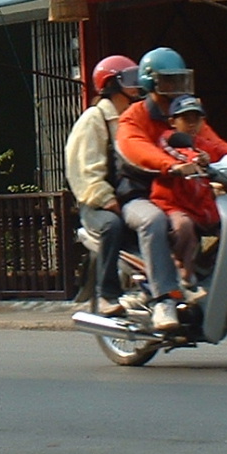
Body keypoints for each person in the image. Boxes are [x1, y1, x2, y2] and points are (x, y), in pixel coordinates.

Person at [116, 47, 227, 331]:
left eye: (179, 80)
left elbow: (214, 145)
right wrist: (170, 165)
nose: (175, 88)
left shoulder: (184, 114)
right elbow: (137, 148)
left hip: (181, 191)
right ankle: (163, 300)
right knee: (154, 221)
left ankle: (206, 280)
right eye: (168, 82)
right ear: (150, 83)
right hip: (140, 194)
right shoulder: (132, 118)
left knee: (224, 219)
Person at [65, 55, 141, 316]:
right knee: (112, 225)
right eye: (129, 80)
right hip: (98, 204)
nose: (136, 86)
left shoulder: (134, 116)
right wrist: (106, 198)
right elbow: (83, 170)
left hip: (131, 196)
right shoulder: (94, 118)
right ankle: (107, 294)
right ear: (112, 84)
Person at [151, 94, 227, 293]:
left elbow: (224, 152)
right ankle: (180, 268)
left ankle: (206, 268)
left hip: (200, 204)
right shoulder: (167, 139)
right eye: (186, 118)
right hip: (173, 203)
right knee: (184, 227)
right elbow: (178, 156)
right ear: (173, 121)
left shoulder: (201, 143)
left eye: (196, 118)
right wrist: (192, 161)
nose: (192, 123)